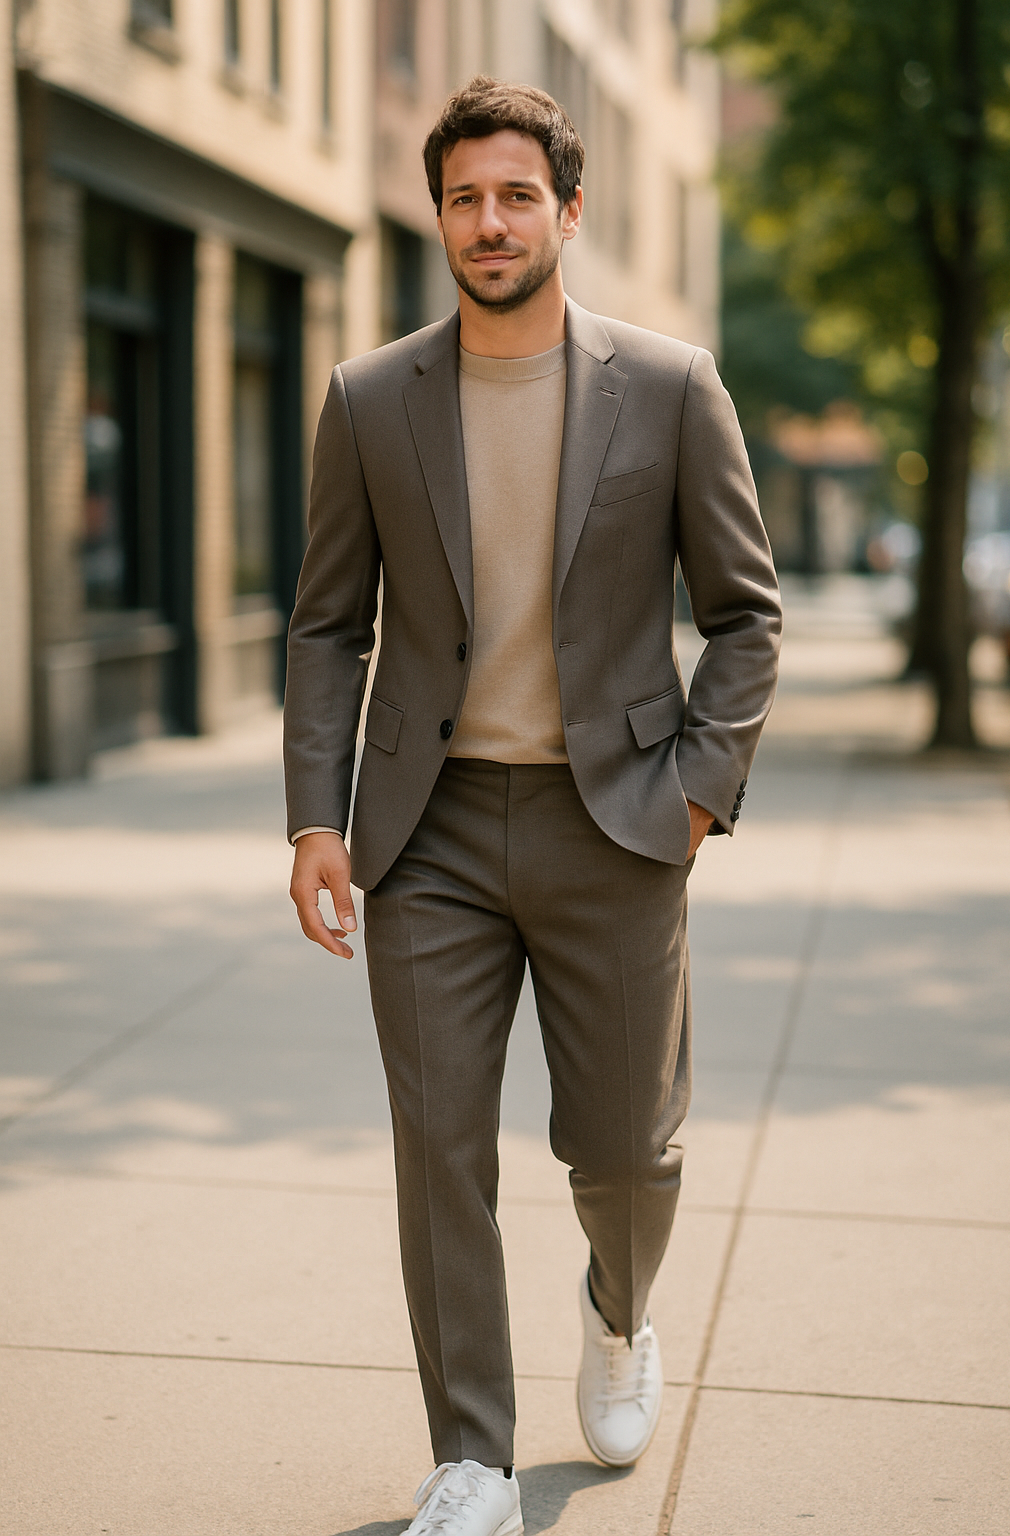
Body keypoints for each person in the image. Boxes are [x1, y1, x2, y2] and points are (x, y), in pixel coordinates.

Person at [285, 76, 781, 1536]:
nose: (489, 223)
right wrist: (317, 818)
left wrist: (697, 798)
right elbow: (329, 625)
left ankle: (619, 1311)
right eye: (464, 199)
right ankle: (472, 1458)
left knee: (625, 1150)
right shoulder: (371, 399)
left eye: (516, 196)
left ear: (569, 210)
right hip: (425, 833)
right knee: (439, 1146)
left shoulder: (671, 385)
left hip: (617, 821)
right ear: (438, 216)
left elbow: (745, 616)